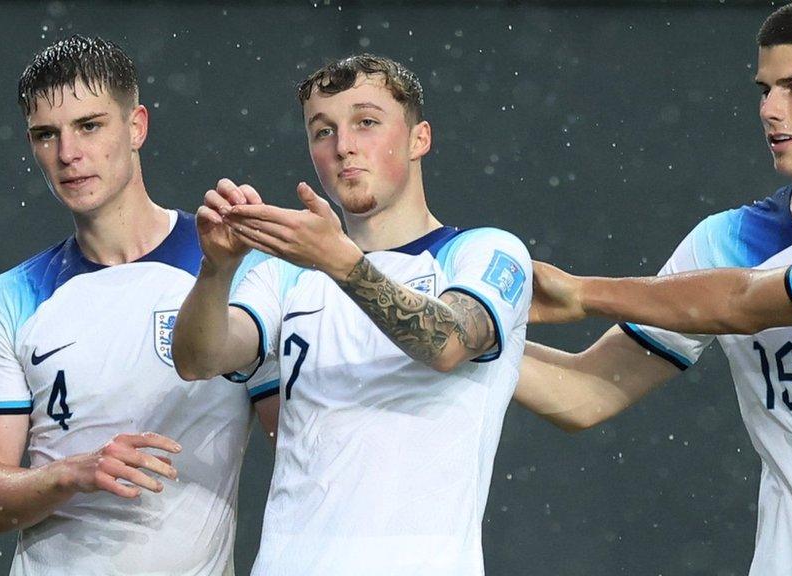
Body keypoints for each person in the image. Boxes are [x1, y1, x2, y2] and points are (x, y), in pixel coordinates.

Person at [513, 1, 792, 574]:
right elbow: (587, 393)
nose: (770, 109)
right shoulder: (724, 246)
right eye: (764, 89)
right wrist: (472, 338)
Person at [171, 54, 532, 575]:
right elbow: (199, 359)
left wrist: (340, 262)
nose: (343, 147)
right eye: (323, 131)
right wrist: (216, 271)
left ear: (418, 139)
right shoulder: (285, 275)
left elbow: (448, 342)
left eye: (366, 122)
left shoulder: (484, 252)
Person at [0, 35, 276, 575]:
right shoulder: (11, 296)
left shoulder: (240, 270)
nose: (68, 154)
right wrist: (71, 473)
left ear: (137, 127)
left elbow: (304, 448)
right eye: (46, 135)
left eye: (89, 125)